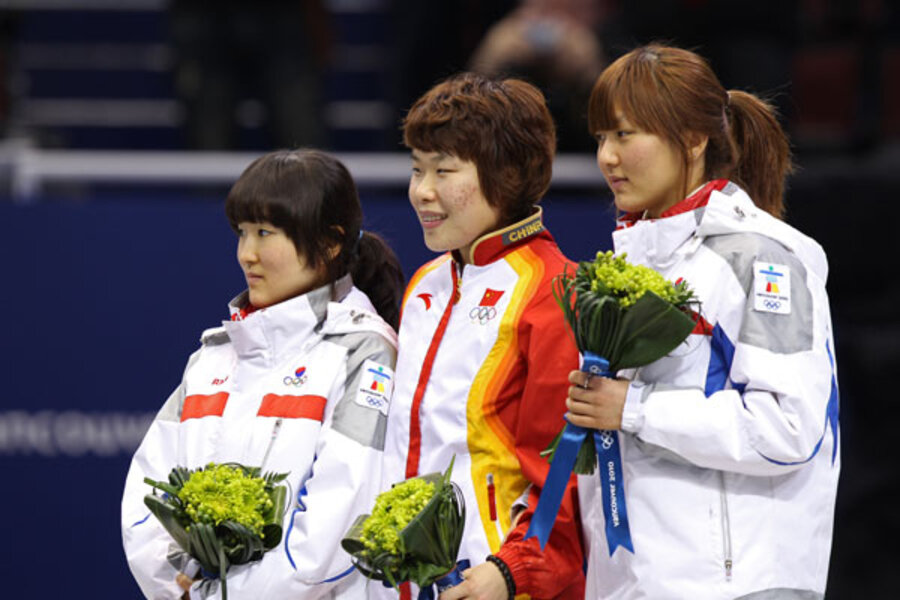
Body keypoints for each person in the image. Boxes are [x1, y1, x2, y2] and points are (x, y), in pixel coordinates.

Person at [566, 44, 840, 599]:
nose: (607, 158)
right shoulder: (631, 263)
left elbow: (788, 427)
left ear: (693, 139)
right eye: (600, 138)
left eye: (625, 135)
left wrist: (634, 409)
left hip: (737, 585)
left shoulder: (762, 259)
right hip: (637, 581)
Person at [121, 149, 404, 599]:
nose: (246, 254)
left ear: (330, 242)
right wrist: (187, 590)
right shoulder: (213, 356)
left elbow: (336, 528)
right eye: (242, 232)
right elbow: (146, 504)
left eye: (265, 233)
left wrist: (224, 595)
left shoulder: (365, 352)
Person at [378, 73, 584, 600]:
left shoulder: (552, 290)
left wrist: (513, 570)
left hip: (495, 583)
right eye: (416, 169)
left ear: (508, 175)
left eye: (444, 170)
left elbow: (564, 472)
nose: (422, 191)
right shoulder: (425, 284)